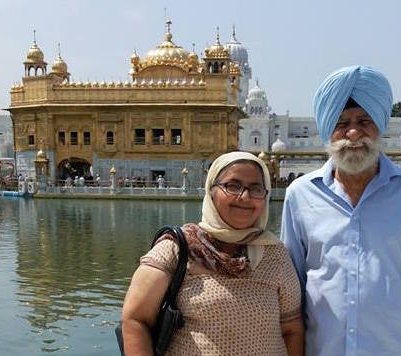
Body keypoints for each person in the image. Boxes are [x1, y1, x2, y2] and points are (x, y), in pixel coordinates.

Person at [280, 66, 401, 356]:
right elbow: (291, 290)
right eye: (342, 122)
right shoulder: (301, 195)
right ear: (327, 130)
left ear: (380, 126)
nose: (353, 132)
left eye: (364, 121)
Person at [122, 151, 304, 355]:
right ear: (211, 191)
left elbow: (291, 329)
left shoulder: (275, 254)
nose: (244, 197)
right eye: (232, 186)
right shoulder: (178, 248)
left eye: (256, 188)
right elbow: (136, 319)